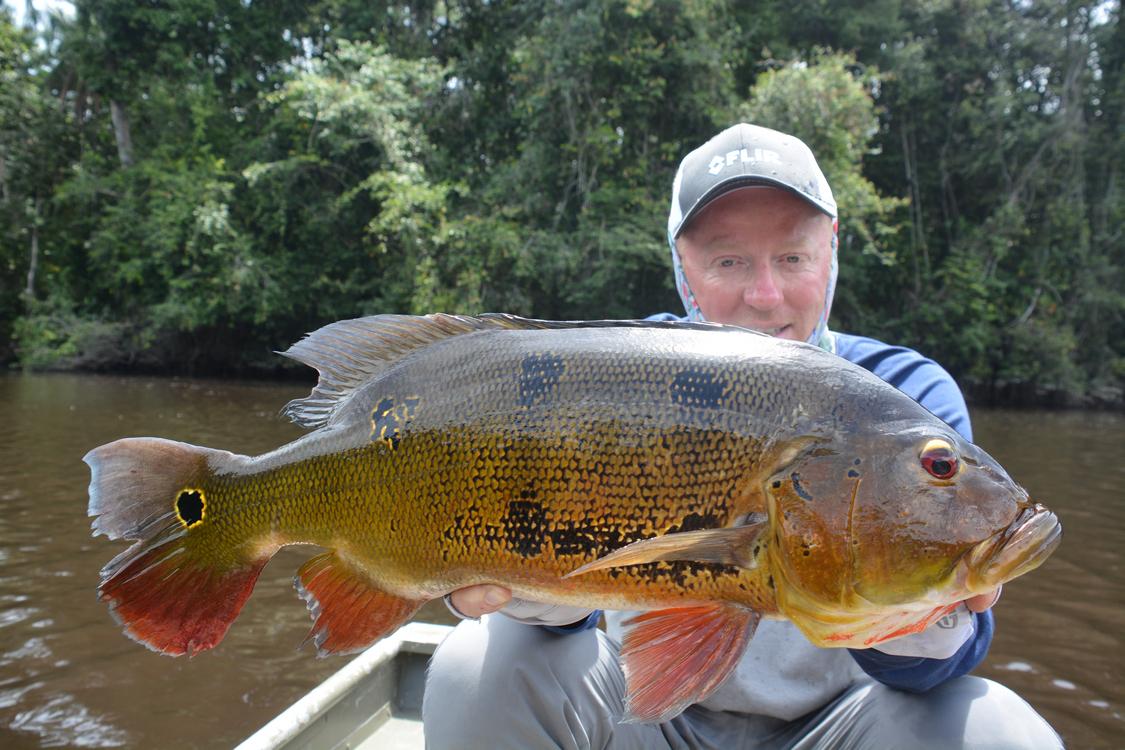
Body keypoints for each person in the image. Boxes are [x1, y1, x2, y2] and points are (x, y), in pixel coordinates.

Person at [422, 123, 1062, 749]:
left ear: (831, 251)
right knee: (479, 664)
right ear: (683, 266)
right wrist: (543, 597)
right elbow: (575, 618)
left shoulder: (904, 396)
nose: (764, 293)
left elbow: (936, 670)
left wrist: (930, 619)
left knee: (999, 732)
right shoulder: (620, 374)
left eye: (792, 257)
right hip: (642, 715)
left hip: (834, 726)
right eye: (728, 261)